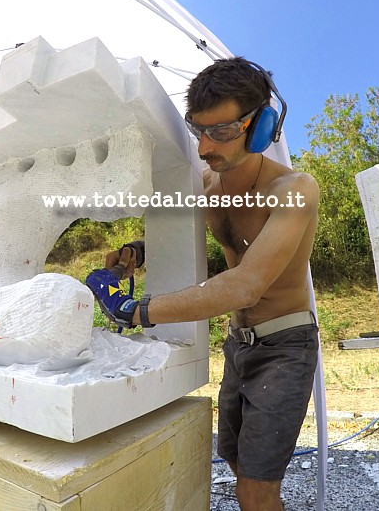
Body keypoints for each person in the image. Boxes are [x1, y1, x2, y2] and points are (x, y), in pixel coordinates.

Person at [86, 57, 320, 511]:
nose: (204, 148)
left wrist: (135, 310)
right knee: (234, 462)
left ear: (261, 126)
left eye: (222, 132)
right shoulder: (206, 185)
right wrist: (135, 252)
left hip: (285, 346)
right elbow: (177, 234)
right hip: (239, 343)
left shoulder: (294, 189)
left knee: (255, 491)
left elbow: (245, 285)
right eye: (199, 131)